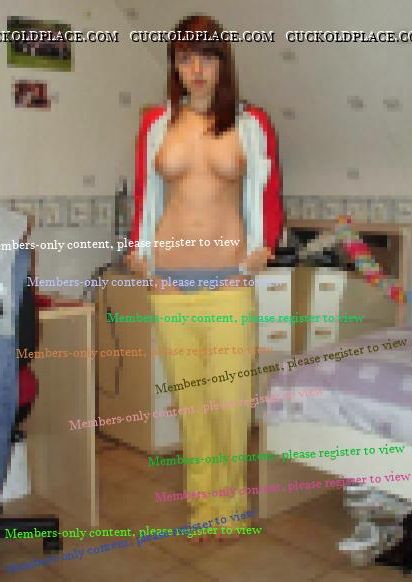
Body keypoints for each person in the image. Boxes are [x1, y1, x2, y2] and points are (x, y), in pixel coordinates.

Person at [128, 13, 282, 542]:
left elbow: (269, 192)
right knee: (191, 405)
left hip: (228, 286)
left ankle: (230, 503)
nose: (196, 69)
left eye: (207, 57)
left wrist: (265, 245)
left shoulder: (251, 122)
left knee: (230, 404)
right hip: (170, 285)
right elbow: (145, 194)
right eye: (186, 58)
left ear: (223, 63)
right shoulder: (156, 123)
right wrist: (138, 252)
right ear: (175, 64)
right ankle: (202, 503)